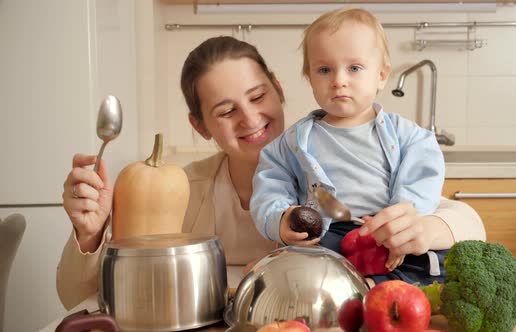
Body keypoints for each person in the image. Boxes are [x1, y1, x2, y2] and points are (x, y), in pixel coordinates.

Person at [57, 35, 485, 310]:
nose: (250, 119)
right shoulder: (179, 191)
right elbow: (80, 299)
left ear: (279, 89)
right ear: (200, 126)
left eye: (258, 96)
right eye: (225, 111)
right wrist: (91, 236)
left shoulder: (337, 166)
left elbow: (469, 223)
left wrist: (425, 228)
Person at [250, 7, 446, 285]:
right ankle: (355, 288)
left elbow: (424, 174)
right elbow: (270, 184)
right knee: (299, 264)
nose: (339, 80)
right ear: (309, 77)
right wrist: (280, 218)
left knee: (436, 263)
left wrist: (401, 221)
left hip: (384, 234)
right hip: (329, 235)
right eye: (324, 70)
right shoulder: (293, 142)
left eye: (354, 68)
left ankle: (377, 286)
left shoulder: (408, 135)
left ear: (381, 75)